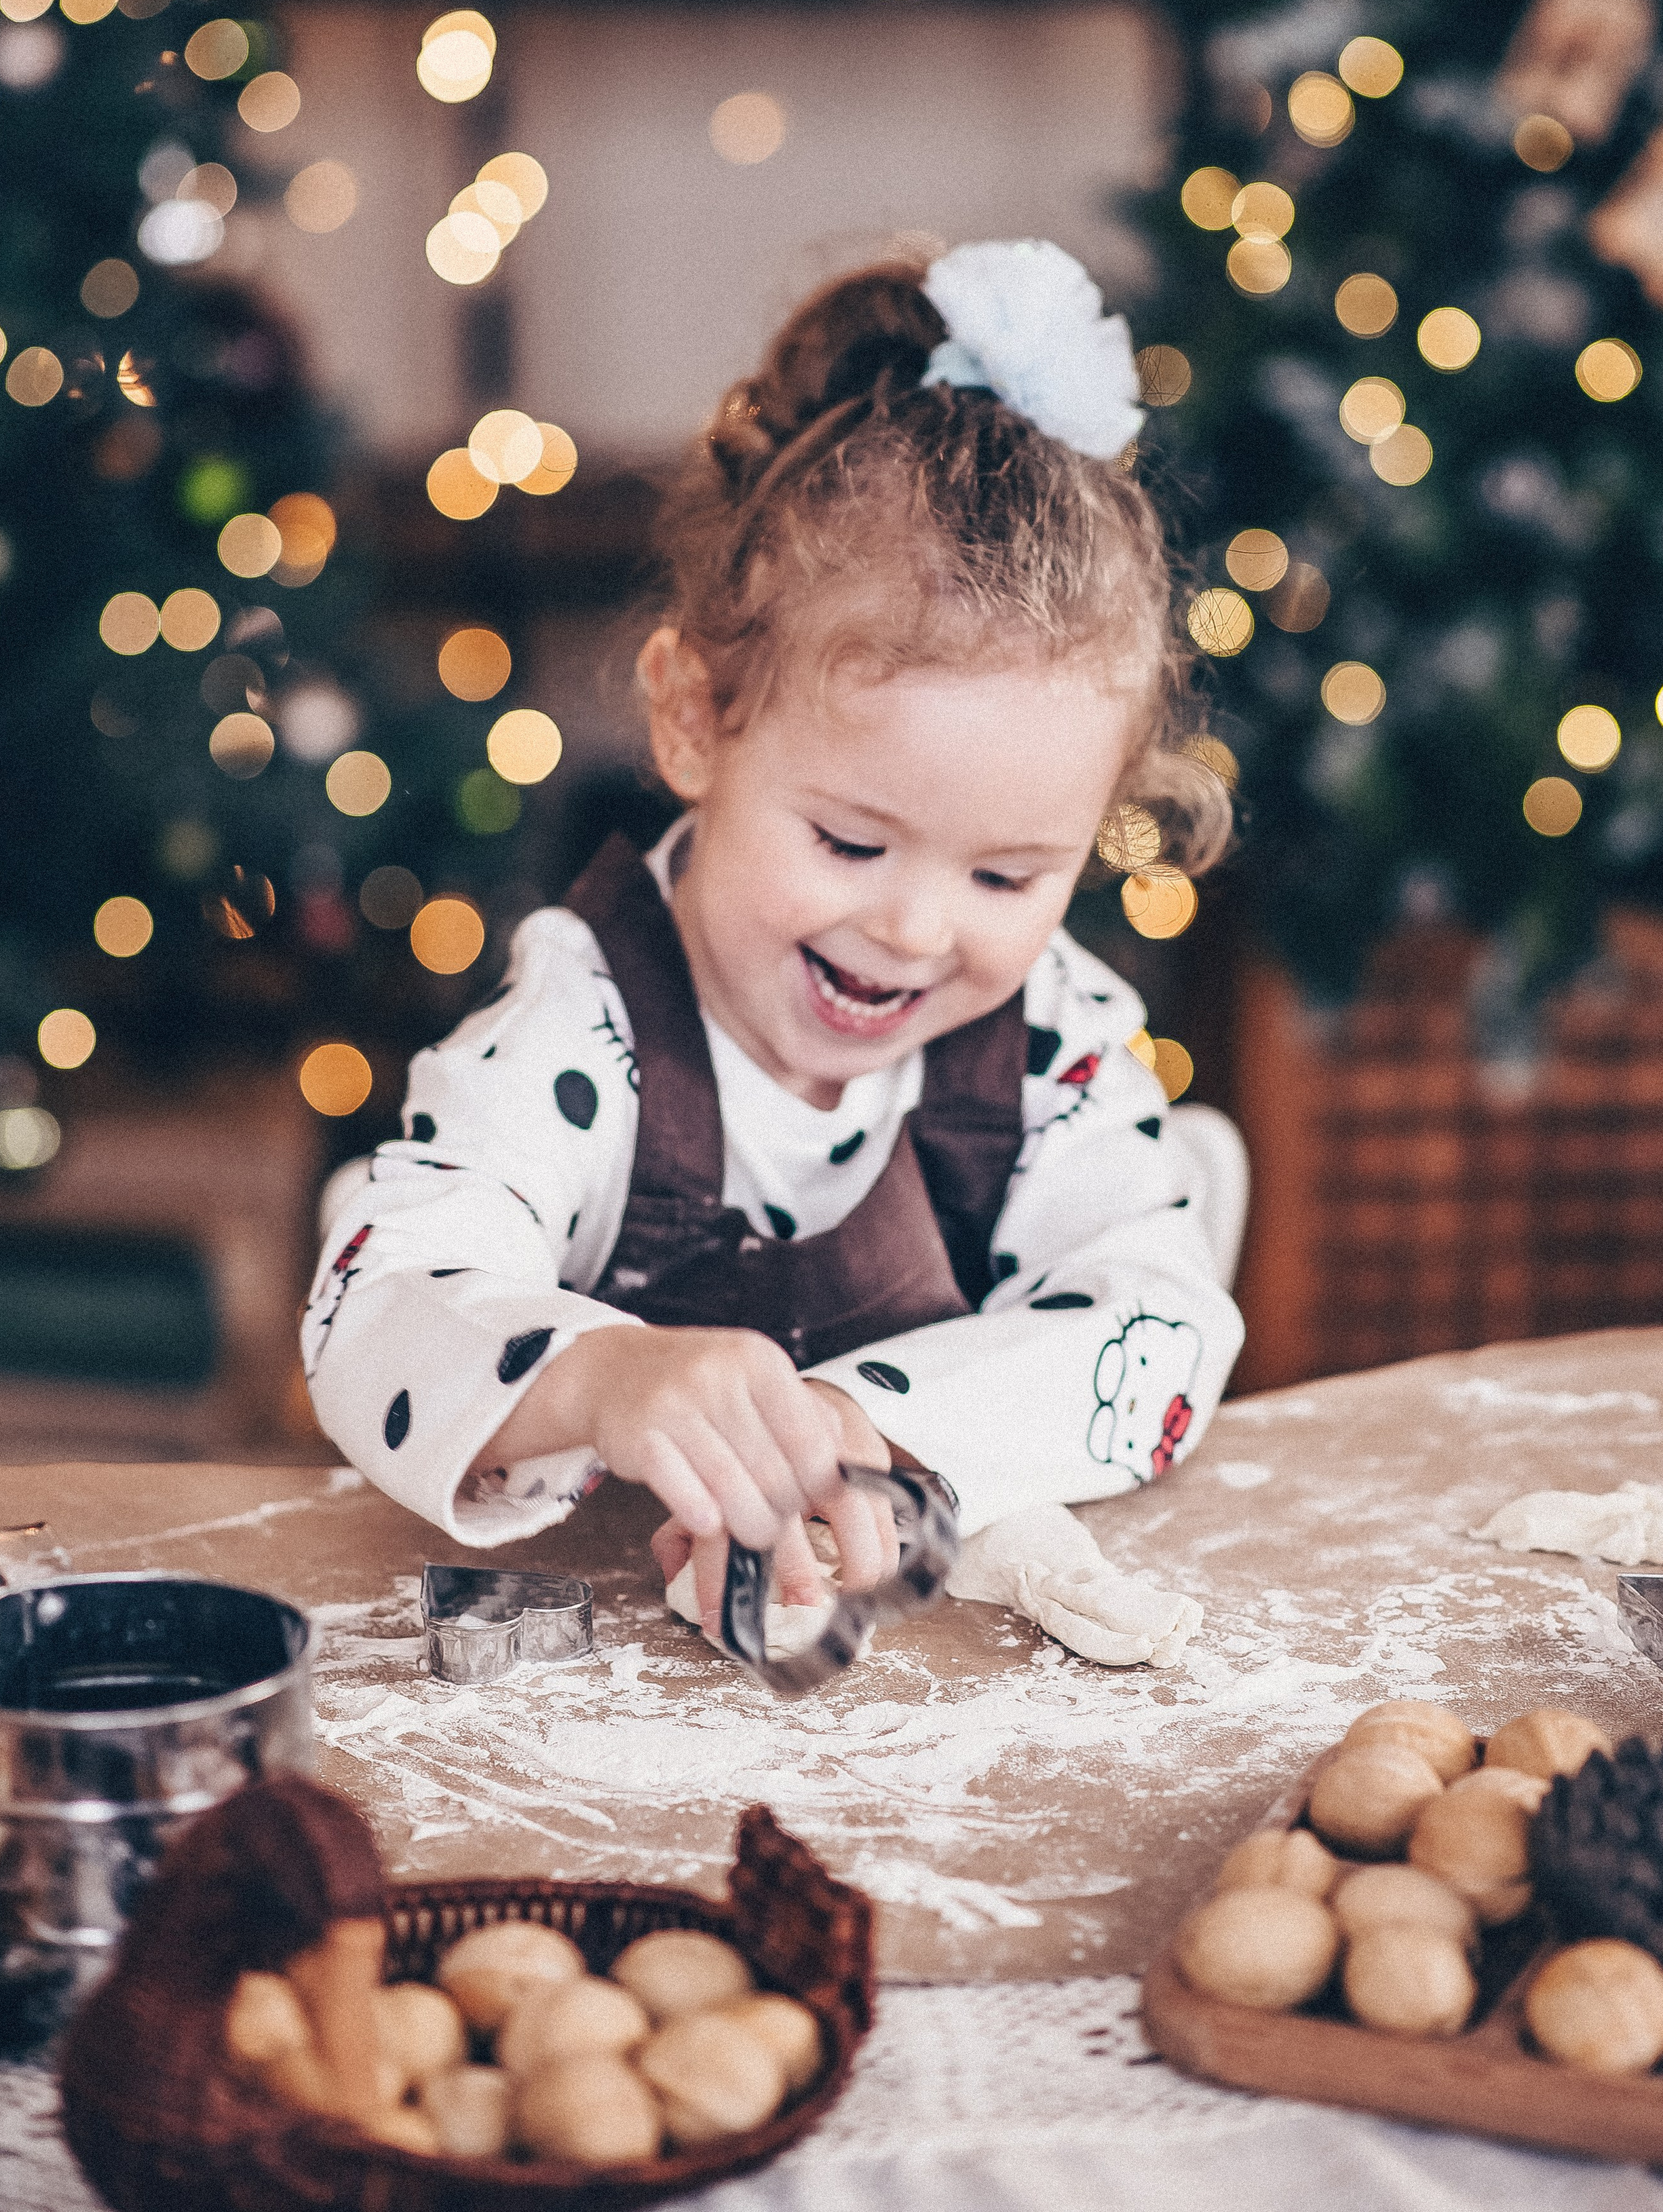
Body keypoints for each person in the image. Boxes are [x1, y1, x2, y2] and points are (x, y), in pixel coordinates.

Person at [303, 240, 1245, 1641]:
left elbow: (1159, 1331)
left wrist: (851, 1427)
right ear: (693, 717)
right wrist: (609, 1380)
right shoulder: (585, 1031)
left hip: (943, 1660)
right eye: (850, 844)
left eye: (1006, 872)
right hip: (615, 1685)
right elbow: (372, 1300)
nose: (915, 927)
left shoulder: (1058, 1044)